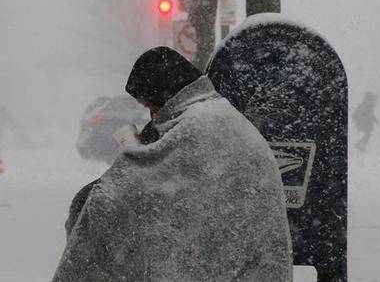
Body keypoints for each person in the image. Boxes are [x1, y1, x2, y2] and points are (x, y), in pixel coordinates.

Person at [53, 47, 292, 282]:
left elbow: (121, 194)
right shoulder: (221, 115)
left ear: (164, 96)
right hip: (255, 265)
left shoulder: (198, 126)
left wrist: (129, 164)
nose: (151, 115)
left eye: (151, 106)